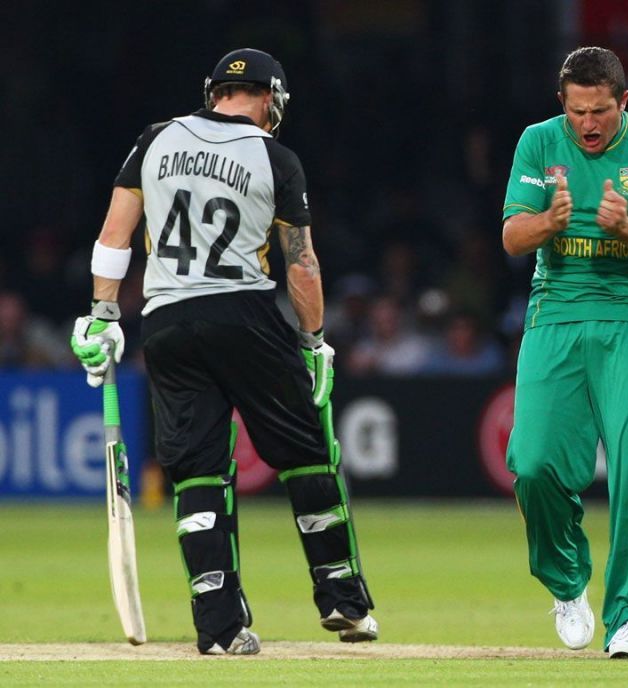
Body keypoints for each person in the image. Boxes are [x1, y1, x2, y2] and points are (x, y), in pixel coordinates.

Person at [70, 48, 377, 655]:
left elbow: (113, 236)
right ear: (270, 97)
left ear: (213, 91)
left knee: (196, 469)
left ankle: (219, 624)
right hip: (243, 314)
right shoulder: (276, 157)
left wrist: (102, 313)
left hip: (165, 320)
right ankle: (343, 600)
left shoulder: (155, 139)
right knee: (308, 453)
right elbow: (303, 266)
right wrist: (314, 341)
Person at [501, 47, 628, 660]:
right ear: (564, 105)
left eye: (601, 111)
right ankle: (566, 582)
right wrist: (550, 224)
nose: (589, 123)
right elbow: (511, 236)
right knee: (532, 464)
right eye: (578, 110)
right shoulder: (537, 141)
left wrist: (626, 228)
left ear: (623, 103)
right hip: (554, 312)